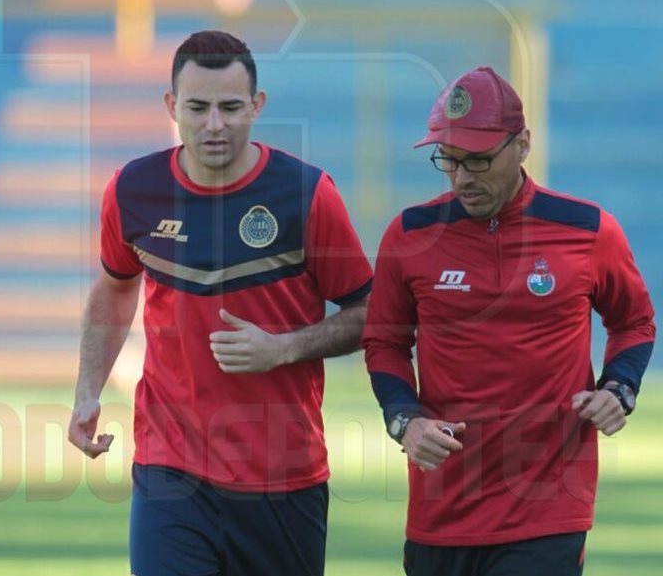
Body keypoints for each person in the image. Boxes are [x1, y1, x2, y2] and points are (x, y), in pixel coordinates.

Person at [67, 30, 372, 576]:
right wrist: (87, 390)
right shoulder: (133, 190)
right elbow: (115, 288)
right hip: (171, 469)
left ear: (257, 106)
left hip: (284, 476)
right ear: (171, 106)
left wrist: (283, 348)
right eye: (198, 107)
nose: (214, 124)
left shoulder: (306, 194)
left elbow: (369, 313)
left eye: (231, 107)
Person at [362, 66, 655, 576]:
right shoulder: (409, 235)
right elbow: (384, 343)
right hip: (441, 508)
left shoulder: (587, 230)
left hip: (548, 507)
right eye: (448, 160)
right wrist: (404, 421)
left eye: (477, 160)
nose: (461, 178)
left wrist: (619, 387)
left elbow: (634, 321)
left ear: (522, 145)